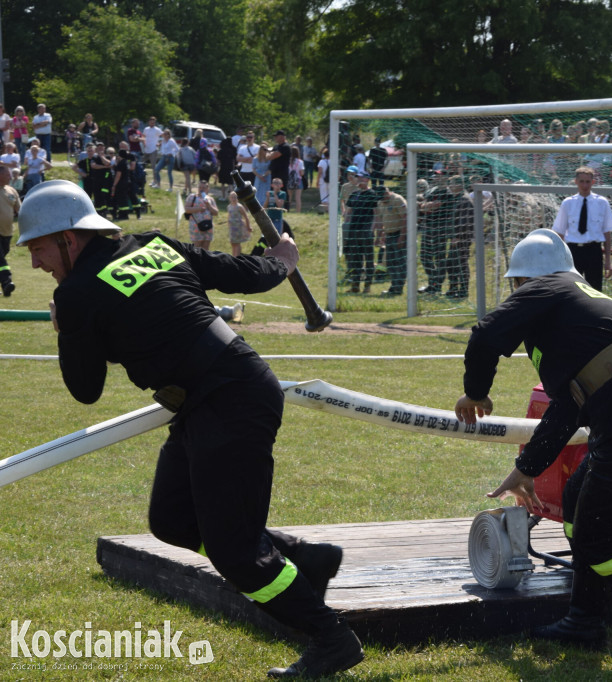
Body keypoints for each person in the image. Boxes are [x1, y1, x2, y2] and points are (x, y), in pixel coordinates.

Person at [18, 179, 363, 679]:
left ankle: (331, 639)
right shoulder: (152, 244)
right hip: (221, 395)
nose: (35, 264)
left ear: (69, 239)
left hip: (228, 401)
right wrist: (282, 261)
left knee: (236, 554)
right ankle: (307, 562)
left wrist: (64, 328)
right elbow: (237, 273)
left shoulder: (75, 293)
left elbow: (85, 388)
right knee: (174, 519)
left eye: (39, 249)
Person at [454, 229, 612, 663]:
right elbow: (568, 407)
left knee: (603, 542)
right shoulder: (579, 306)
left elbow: (484, 336)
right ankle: (584, 618)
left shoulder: (547, 288)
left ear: (521, 284)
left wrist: (475, 393)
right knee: (579, 499)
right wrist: (528, 468)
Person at [551, 166, 612, 291]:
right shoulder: (568, 203)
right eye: (581, 181)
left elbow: (607, 233)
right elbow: (559, 232)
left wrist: (608, 260)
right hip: (573, 251)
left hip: (594, 251)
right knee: (571, 290)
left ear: (593, 182)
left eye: (588, 181)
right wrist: (560, 258)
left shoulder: (602, 202)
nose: (585, 185)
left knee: (595, 290)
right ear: (576, 182)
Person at [344, 171, 378, 293]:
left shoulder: (372, 194)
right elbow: (348, 213)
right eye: (357, 178)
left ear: (367, 179)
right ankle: (355, 286)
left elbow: (376, 214)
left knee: (368, 259)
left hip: (366, 230)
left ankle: (367, 286)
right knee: (355, 259)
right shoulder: (354, 194)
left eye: (361, 178)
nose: (358, 180)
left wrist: (372, 230)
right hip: (354, 230)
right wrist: (346, 228)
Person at [374, 185, 408, 296]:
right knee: (391, 262)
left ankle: (399, 287)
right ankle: (394, 286)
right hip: (389, 235)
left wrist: (402, 237)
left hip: (399, 234)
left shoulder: (397, 200)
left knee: (400, 262)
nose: (381, 200)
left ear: (386, 192)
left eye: (382, 197)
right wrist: (380, 235)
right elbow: (382, 219)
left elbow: (405, 218)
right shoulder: (380, 203)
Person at [0, 165, 20, 296]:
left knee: (1, 258)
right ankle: (7, 282)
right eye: (8, 174)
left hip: (7, 233)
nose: (11, 177)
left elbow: (20, 210)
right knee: (1, 260)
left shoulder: (11, 191)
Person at [184, 180, 219, 251]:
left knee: (206, 249)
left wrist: (209, 205)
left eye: (203, 187)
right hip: (196, 226)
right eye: (200, 187)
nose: (201, 189)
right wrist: (199, 209)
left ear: (207, 188)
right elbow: (186, 209)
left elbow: (216, 213)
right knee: (197, 249)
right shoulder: (192, 197)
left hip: (208, 226)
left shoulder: (210, 199)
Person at [226, 190, 252, 257]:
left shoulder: (239, 206)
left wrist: (248, 226)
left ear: (237, 198)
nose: (233, 199)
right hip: (232, 227)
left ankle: (236, 257)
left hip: (238, 227)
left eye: (235, 197)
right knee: (232, 242)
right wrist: (228, 222)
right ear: (229, 198)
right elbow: (229, 215)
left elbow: (246, 217)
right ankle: (235, 255)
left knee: (237, 242)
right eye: (232, 197)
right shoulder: (229, 206)